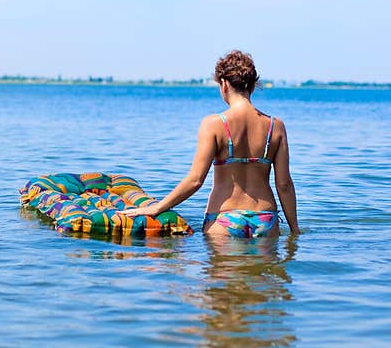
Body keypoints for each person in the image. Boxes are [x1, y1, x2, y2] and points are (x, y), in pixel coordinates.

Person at [123, 50, 300, 237]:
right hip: (265, 219)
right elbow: (284, 184)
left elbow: (195, 180)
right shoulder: (276, 126)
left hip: (224, 220)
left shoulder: (214, 124)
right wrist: (294, 230)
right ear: (253, 86)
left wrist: (157, 208)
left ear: (223, 84)